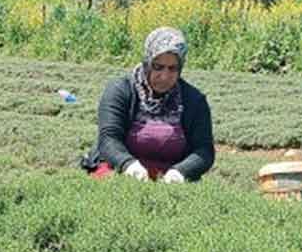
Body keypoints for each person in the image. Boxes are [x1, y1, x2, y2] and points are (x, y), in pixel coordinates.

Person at [81, 27, 214, 183]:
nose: (164, 76)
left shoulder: (194, 100)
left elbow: (204, 151)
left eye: (172, 69)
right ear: (147, 62)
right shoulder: (120, 90)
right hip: (118, 169)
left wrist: (180, 172)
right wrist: (128, 165)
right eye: (158, 67)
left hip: (169, 178)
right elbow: (108, 139)